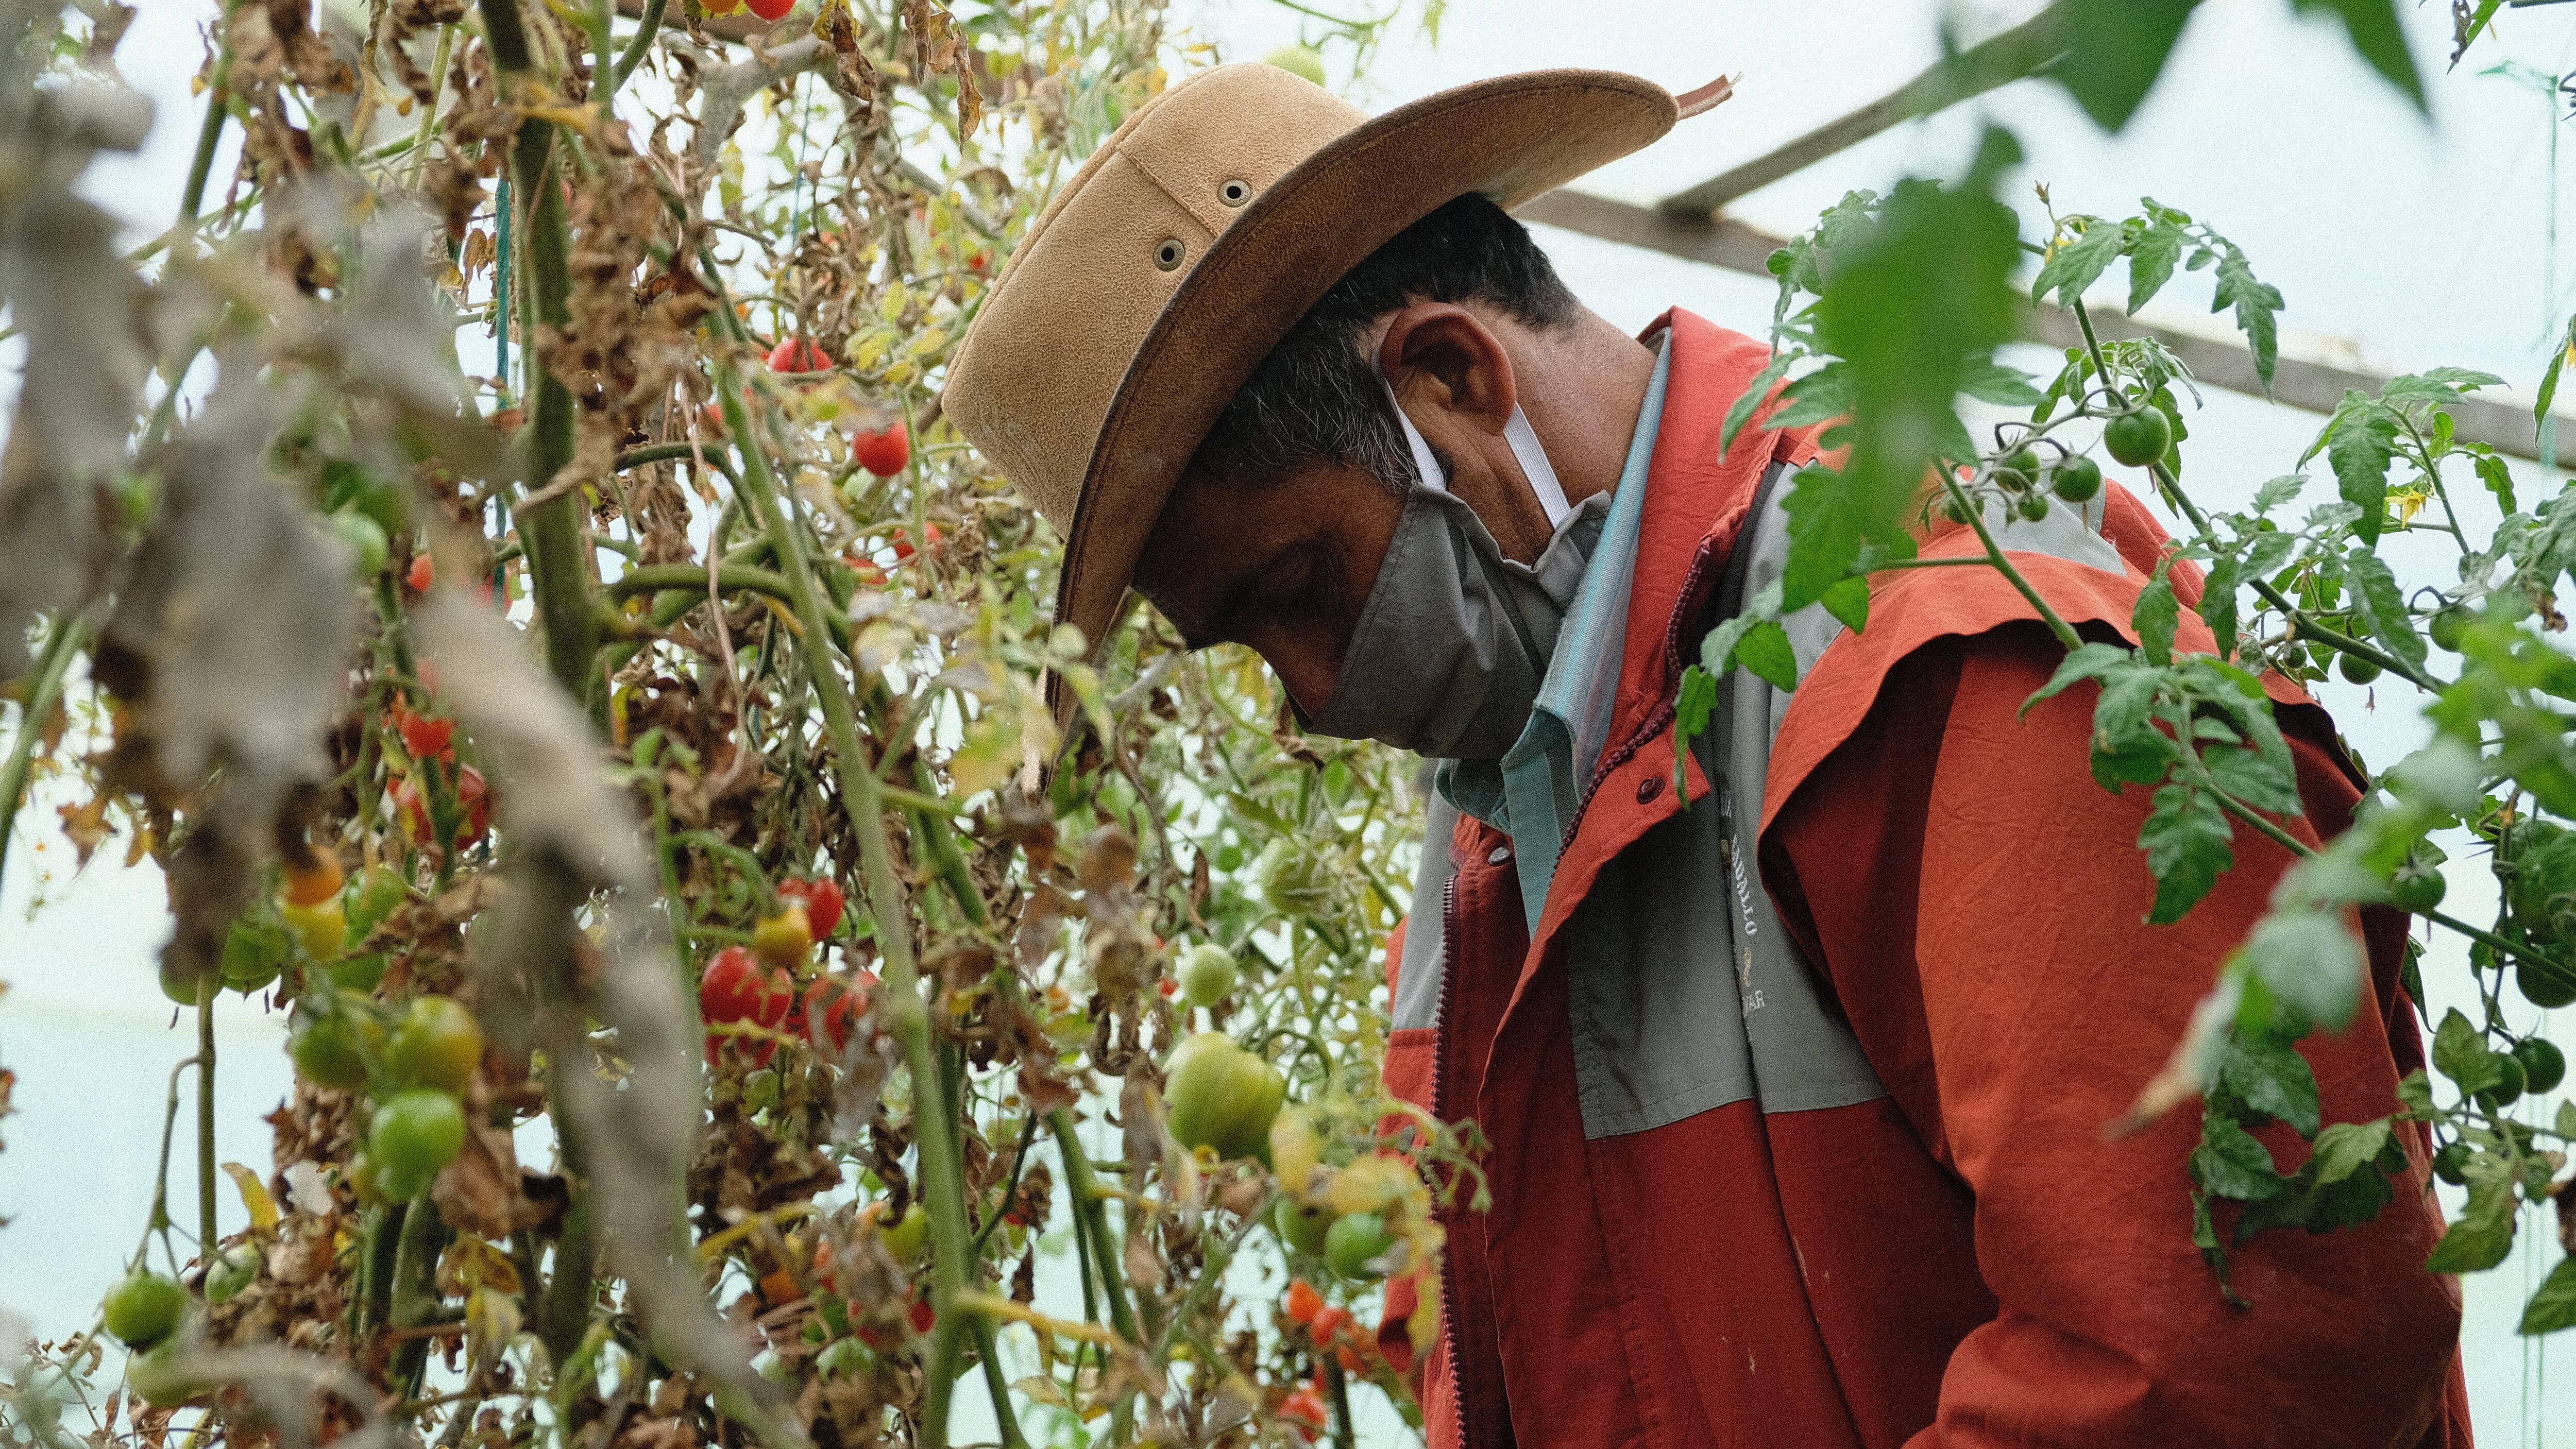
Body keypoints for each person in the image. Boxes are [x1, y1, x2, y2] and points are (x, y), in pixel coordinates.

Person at [941, 61, 2471, 1448]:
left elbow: (2219, 1358)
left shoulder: (1948, 623)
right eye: (1245, 642)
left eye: (1291, 591)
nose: (1310, 696)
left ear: (1455, 382)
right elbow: (1503, 1323)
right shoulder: (1501, 781)